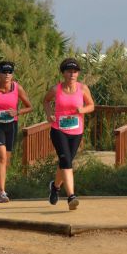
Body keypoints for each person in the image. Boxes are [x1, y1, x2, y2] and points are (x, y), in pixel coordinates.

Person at [43, 58, 95, 210]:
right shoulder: (56, 89)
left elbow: (91, 105)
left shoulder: (83, 88)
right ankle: (71, 196)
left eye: (75, 71)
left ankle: (55, 187)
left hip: (76, 131)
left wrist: (82, 110)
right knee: (66, 162)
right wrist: (49, 114)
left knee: (65, 162)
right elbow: (45, 101)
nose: (72, 74)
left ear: (78, 73)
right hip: (58, 129)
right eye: (69, 71)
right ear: (63, 73)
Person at [0, 61, 33, 203]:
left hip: (11, 125)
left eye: (10, 72)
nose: (7, 74)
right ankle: (2, 192)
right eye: (4, 72)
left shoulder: (17, 88)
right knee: (2, 157)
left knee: (5, 161)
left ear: (12, 74)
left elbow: (29, 107)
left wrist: (17, 111)